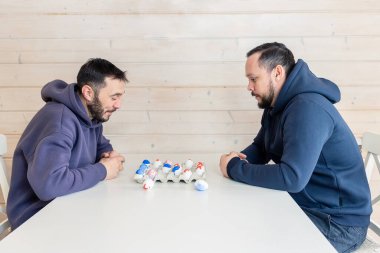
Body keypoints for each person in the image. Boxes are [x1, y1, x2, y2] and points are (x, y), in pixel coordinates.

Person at [219, 42, 372, 253]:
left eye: (254, 79)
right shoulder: (276, 104)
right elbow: (262, 147)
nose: (249, 86)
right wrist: (238, 159)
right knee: (239, 222)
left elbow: (292, 177)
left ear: (277, 73)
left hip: (338, 223)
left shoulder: (308, 108)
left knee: (253, 241)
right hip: (305, 206)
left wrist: (235, 168)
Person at [7, 58, 128, 230]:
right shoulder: (60, 122)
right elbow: (49, 186)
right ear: (88, 93)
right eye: (113, 97)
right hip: (36, 218)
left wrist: (110, 155)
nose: (118, 105)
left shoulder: (91, 115)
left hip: (69, 206)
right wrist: (103, 170)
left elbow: (101, 147)